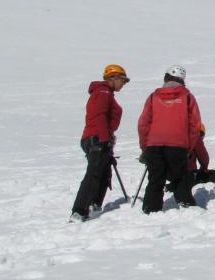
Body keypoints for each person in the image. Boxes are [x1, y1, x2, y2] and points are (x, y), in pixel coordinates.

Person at [137, 65, 202, 213]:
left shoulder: (153, 97)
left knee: (155, 178)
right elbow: (195, 125)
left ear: (166, 78)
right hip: (178, 144)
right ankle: (185, 203)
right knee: (180, 176)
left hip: (154, 144)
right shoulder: (187, 97)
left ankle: (150, 208)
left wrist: (145, 147)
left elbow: (143, 124)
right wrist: (189, 147)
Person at [70, 64, 129, 222]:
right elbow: (100, 116)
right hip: (97, 138)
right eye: (123, 80)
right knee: (94, 173)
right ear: (113, 78)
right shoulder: (103, 93)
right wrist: (104, 138)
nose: (124, 83)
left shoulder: (105, 93)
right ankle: (79, 210)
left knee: (103, 172)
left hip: (95, 137)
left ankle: (94, 204)